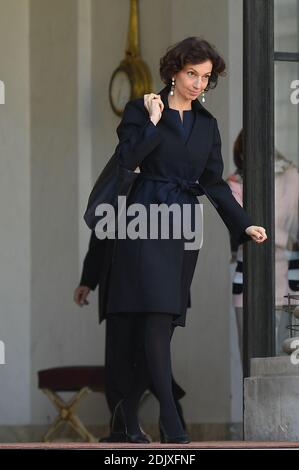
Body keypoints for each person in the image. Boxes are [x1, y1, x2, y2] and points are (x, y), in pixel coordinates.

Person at [94, 36, 267, 444]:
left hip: (184, 228)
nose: (198, 84)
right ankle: (171, 422)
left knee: (164, 323)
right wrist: (153, 123)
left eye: (205, 77)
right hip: (145, 222)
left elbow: (212, 182)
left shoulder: (208, 125)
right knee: (155, 319)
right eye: (192, 74)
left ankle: (125, 410)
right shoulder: (141, 108)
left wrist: (242, 223)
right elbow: (127, 161)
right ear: (174, 70)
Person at [74, 231, 187, 442]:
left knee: (153, 358)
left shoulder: (176, 196)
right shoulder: (115, 196)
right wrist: (88, 279)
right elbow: (102, 227)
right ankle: (123, 428)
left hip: (162, 284)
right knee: (121, 360)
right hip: (121, 281)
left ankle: (170, 422)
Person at [227, 130, 299, 359]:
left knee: (288, 362)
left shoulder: (292, 177)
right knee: (251, 359)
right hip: (248, 280)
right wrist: (284, 239)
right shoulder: (234, 184)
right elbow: (240, 227)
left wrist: (274, 236)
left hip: (290, 282)